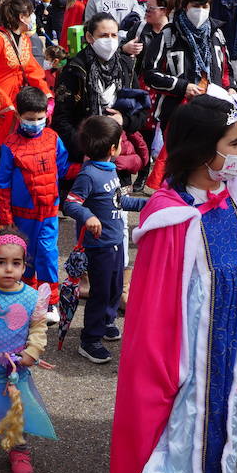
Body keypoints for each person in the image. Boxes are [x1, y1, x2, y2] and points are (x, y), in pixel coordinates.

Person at [106, 94, 237, 473]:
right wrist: (167, 369)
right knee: (181, 441)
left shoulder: (236, 196)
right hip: (187, 359)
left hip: (231, 346)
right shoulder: (169, 216)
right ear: (204, 150)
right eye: (235, 144)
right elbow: (152, 310)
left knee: (224, 436)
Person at [62, 114, 147, 364]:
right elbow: (71, 203)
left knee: (115, 286)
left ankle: (107, 320)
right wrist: (88, 216)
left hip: (114, 243)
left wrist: (149, 203)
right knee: (99, 292)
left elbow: (121, 201)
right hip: (98, 246)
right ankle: (90, 340)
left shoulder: (109, 171)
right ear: (113, 148)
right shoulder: (89, 175)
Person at [0, 225, 56, 473]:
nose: (8, 269)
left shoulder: (32, 297)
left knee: (16, 411)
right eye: (1, 262)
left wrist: (33, 351)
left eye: (15, 263)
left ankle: (19, 449)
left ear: (23, 265)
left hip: (13, 372)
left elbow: (39, 328)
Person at [0, 86, 67, 319]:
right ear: (18, 116)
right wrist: (6, 219)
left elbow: (62, 165)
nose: (36, 123)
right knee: (24, 256)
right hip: (22, 216)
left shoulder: (53, 138)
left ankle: (49, 302)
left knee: (47, 254)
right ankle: (26, 297)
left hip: (48, 212)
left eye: (40, 118)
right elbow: (3, 185)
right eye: (30, 119)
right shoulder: (10, 145)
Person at [144, 0, 233, 130]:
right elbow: (149, 74)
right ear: (185, 6)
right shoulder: (169, 34)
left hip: (213, 113)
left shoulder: (217, 34)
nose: (200, 11)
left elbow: (226, 70)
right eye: (195, 6)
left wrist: (231, 88)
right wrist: (182, 86)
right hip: (178, 116)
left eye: (205, 6)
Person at [53, 13, 134, 160]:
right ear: (90, 37)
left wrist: (124, 120)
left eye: (114, 35)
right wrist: (84, 150)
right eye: (104, 36)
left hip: (119, 153)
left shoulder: (126, 66)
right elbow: (61, 119)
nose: (110, 41)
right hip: (85, 156)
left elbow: (140, 109)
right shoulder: (75, 70)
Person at [0, 0, 51, 145]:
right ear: (22, 17)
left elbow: (32, 70)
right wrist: (4, 102)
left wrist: (46, 95)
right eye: (30, 14)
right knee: (5, 146)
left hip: (21, 100)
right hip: (2, 103)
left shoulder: (25, 39)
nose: (32, 18)